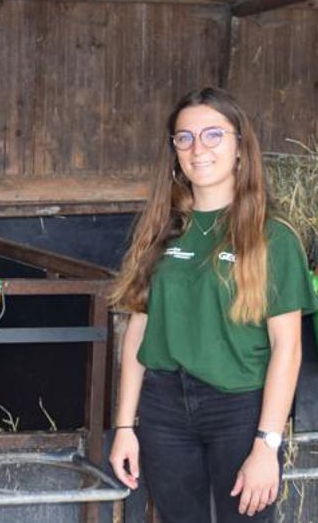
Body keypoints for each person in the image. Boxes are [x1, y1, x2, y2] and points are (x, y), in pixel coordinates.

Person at [108, 87, 317, 522]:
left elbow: (288, 349)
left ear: (241, 146)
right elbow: (138, 332)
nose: (197, 148)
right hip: (164, 407)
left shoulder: (272, 237)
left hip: (239, 408)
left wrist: (267, 444)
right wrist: (126, 426)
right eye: (184, 138)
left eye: (213, 135)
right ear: (174, 152)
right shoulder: (162, 231)